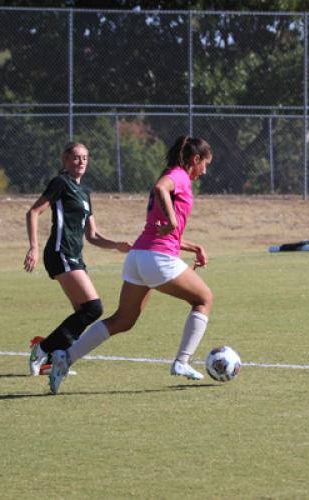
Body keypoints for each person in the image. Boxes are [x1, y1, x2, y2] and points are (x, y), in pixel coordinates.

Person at [48, 135, 214, 394]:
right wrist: (171, 221)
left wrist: (195, 247)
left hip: (138, 256)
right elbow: (161, 188)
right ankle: (182, 362)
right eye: (205, 164)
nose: (205, 170)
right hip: (157, 259)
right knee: (204, 299)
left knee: (123, 320)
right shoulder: (179, 176)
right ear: (196, 159)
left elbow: (162, 231)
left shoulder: (177, 177)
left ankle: (65, 357)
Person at [24, 142, 131, 376]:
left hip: (74, 255)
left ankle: (54, 360)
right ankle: (42, 350)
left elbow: (92, 235)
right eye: (75, 157)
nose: (81, 161)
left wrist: (116, 246)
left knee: (82, 312)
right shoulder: (60, 183)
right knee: (94, 308)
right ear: (65, 160)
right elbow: (33, 212)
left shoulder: (84, 192)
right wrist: (33, 247)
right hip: (60, 252)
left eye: (85, 158)